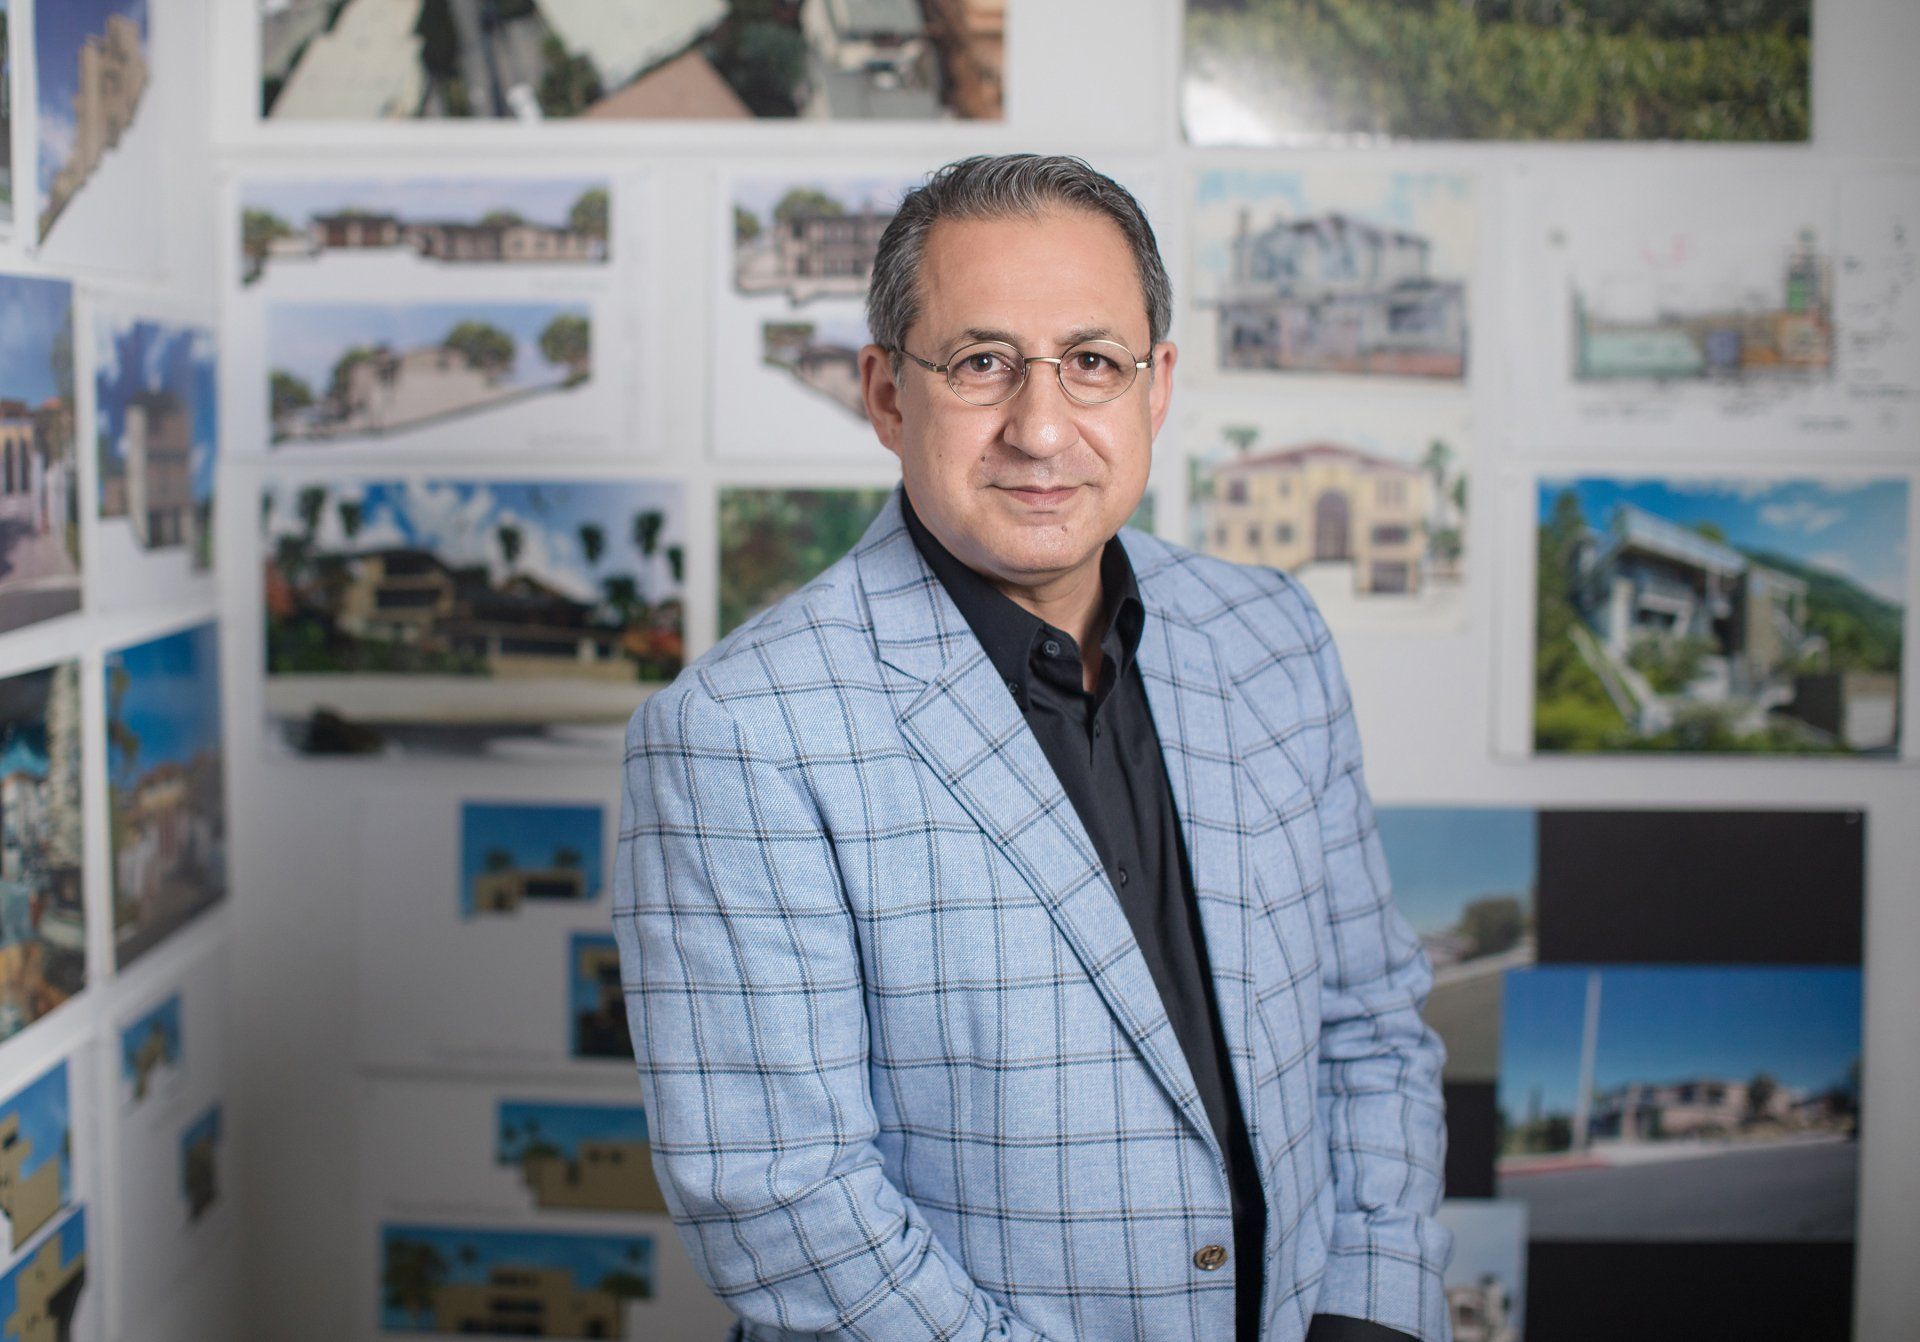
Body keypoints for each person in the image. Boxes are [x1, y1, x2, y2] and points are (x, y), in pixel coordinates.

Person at [612, 154, 1450, 1342]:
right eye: (981, 363)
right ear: (888, 395)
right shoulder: (740, 734)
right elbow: (780, 1195)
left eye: (1093, 363)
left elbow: (1370, 1024)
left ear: (1156, 387)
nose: (1041, 427)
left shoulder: (1273, 636)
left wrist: (1375, 1315)